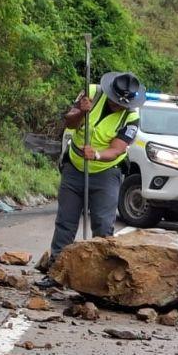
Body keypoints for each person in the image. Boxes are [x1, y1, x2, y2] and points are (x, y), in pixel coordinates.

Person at [35, 71, 145, 289]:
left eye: (122, 104)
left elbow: (116, 150)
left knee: (103, 225)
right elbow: (69, 122)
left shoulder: (131, 117)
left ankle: (99, 279)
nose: (118, 106)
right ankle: (56, 272)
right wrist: (81, 113)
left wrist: (95, 154)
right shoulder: (92, 92)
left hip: (106, 172)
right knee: (65, 222)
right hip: (75, 167)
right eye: (115, 101)